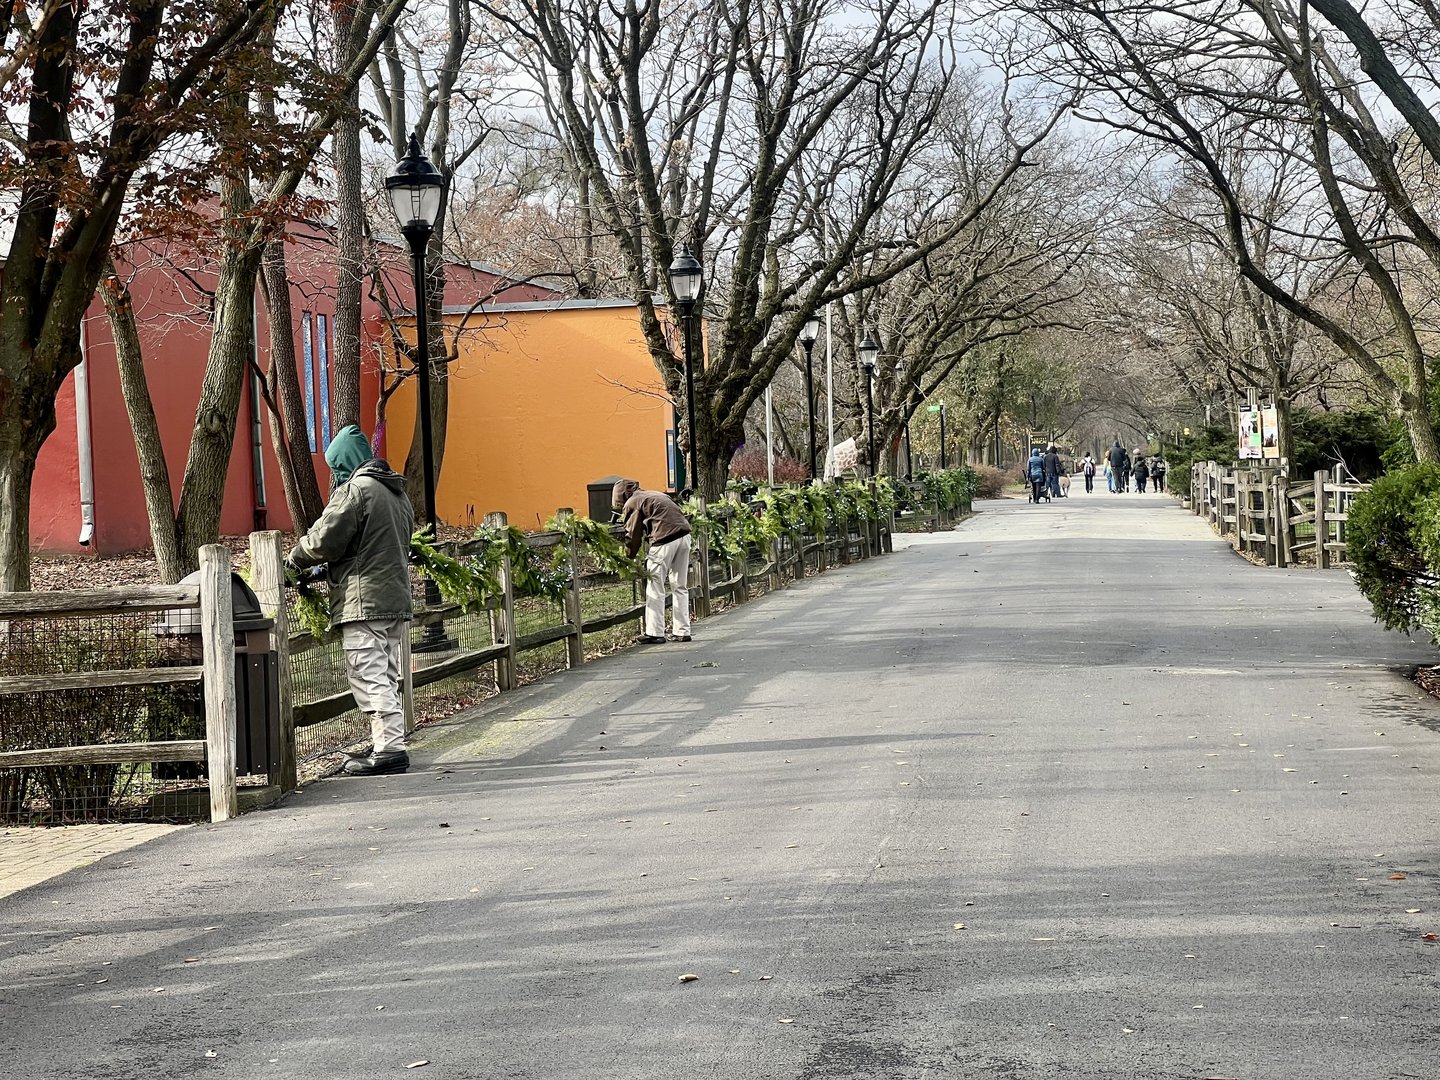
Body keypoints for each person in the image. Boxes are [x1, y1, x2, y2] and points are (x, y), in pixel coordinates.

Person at [286, 424, 415, 776]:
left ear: (345, 461)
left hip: (364, 602)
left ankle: (390, 750)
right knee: (386, 674)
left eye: (336, 466)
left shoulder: (357, 490)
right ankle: (387, 741)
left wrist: (295, 560)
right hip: (394, 599)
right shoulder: (397, 494)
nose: (336, 475)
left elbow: (324, 539)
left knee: (369, 675)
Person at [612, 478, 693, 643]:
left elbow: (633, 533)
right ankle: (682, 631)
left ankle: (655, 632)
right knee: (680, 585)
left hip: (663, 540)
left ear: (621, 496)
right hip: (684, 536)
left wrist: (628, 556)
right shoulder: (655, 494)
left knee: (655, 586)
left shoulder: (633, 502)